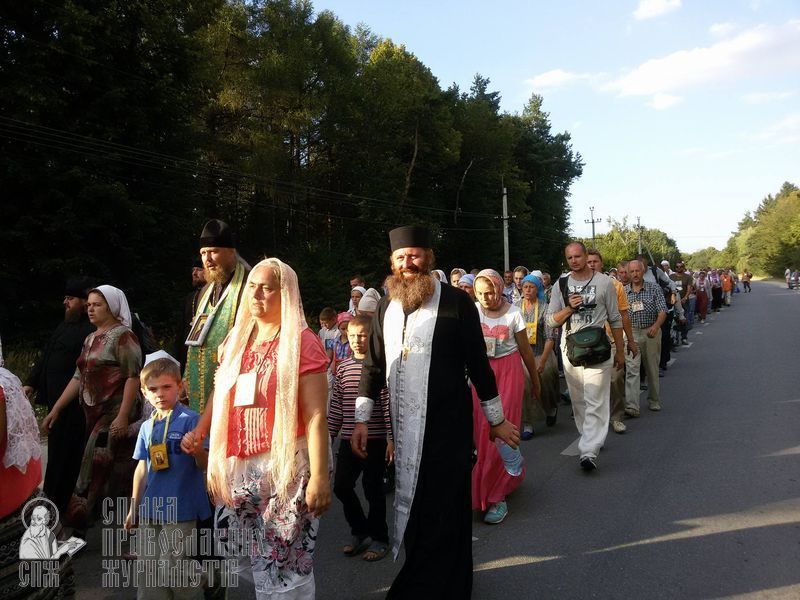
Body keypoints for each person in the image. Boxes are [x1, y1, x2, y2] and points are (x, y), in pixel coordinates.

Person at [352, 225, 518, 598]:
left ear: (429, 258)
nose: (407, 263)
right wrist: (361, 419)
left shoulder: (457, 303)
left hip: (448, 430)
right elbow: (373, 365)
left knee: (446, 510)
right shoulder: (384, 306)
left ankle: (451, 585)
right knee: (414, 510)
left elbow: (478, 364)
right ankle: (421, 581)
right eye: (400, 257)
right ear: (392, 263)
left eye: (414, 255)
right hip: (404, 432)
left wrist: (496, 420)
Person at [183, 258, 331, 599]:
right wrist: (201, 431)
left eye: (267, 287)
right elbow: (222, 393)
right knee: (246, 553)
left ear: (286, 294)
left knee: (284, 561)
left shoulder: (303, 342)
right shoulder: (239, 338)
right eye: (252, 285)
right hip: (241, 464)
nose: (257, 294)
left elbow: (315, 416)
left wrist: (320, 477)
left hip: (287, 466)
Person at [42, 285, 143, 529]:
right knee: (105, 468)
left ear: (111, 307)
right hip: (93, 412)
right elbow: (78, 377)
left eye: (96, 304)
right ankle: (109, 521)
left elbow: (132, 376)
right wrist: (56, 409)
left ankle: (80, 522)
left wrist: (121, 416)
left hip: (115, 411)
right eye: (88, 304)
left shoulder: (123, 336)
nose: (90, 309)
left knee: (95, 462)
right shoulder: (90, 338)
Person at [125, 353, 209, 600]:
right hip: (151, 507)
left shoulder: (191, 420)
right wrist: (133, 507)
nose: (160, 394)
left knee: (172, 565)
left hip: (182, 506)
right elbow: (142, 468)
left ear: (180, 387)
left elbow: (205, 464)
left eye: (166, 387)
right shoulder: (146, 426)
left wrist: (197, 451)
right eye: (153, 389)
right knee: (148, 567)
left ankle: (199, 585)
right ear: (144, 392)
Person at [546, 242, 624, 471]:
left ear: (585, 256)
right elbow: (551, 320)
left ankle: (588, 451)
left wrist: (620, 350)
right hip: (571, 350)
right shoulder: (561, 284)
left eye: (578, 256)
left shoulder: (604, 282)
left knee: (595, 400)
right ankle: (590, 436)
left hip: (598, 349)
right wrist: (569, 308)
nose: (574, 261)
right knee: (579, 401)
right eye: (569, 258)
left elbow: (615, 318)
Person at [472, 270, 539, 524]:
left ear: (500, 288)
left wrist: (535, 380)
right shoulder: (473, 312)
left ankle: (497, 496)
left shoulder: (514, 313)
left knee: (502, 433)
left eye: (489, 291)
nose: (485, 297)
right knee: (482, 434)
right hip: (481, 376)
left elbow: (525, 351)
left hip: (509, 373)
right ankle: (494, 482)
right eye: (480, 293)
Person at [23, 278, 94, 516]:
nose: (65, 302)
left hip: (73, 405)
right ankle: (50, 500)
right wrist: (31, 383)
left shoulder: (89, 331)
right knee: (55, 452)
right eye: (65, 298)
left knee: (67, 456)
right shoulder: (64, 325)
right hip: (55, 401)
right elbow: (47, 355)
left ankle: (60, 505)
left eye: (71, 298)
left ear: (84, 303)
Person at [329, 315, 393, 562]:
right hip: (348, 439)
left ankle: (380, 538)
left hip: (376, 439)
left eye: (363, 335)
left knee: (373, 489)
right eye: (352, 335)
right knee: (342, 486)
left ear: (373, 337)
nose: (357, 340)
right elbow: (336, 405)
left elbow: (387, 404)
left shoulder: (380, 367)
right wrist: (328, 435)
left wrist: (390, 438)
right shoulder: (343, 367)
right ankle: (360, 531)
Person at [185, 219, 250, 412]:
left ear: (231, 252)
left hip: (236, 380)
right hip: (200, 383)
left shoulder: (249, 285)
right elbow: (195, 338)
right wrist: (186, 376)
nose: (207, 259)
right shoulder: (205, 292)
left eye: (213, 251)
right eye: (203, 253)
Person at [587, 250, 637, 435]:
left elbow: (624, 315)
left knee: (616, 379)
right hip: (589, 342)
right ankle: (596, 420)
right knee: (594, 383)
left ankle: (616, 417)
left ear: (601, 263)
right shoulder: (578, 286)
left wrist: (629, 342)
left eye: (595, 261)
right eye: (589, 261)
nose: (592, 264)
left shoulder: (615, 285)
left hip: (613, 339)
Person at [517, 274, 558, 437]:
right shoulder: (514, 307)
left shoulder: (545, 308)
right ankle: (527, 423)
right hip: (521, 356)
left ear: (538, 289)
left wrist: (542, 360)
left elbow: (550, 337)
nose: (528, 290)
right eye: (525, 286)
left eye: (531, 287)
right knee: (524, 385)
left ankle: (551, 408)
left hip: (542, 353)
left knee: (546, 379)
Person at [624, 260, 668, 415]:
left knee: (652, 368)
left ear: (643, 272)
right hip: (631, 334)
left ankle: (654, 400)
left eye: (638, 271)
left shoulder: (654, 288)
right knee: (632, 369)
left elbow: (663, 310)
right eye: (632, 271)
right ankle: (632, 406)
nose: (635, 274)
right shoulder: (623, 292)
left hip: (651, 332)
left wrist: (656, 327)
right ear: (628, 273)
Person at [174, 258, 206, 370]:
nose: (194, 273)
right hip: (186, 350)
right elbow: (181, 328)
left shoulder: (215, 296)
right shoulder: (189, 298)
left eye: (199, 270)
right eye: (193, 270)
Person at [332, 312, 353, 376]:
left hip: (349, 372)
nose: (346, 331)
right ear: (338, 328)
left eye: (348, 328)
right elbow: (331, 356)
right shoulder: (335, 341)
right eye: (343, 329)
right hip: (337, 372)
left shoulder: (353, 342)